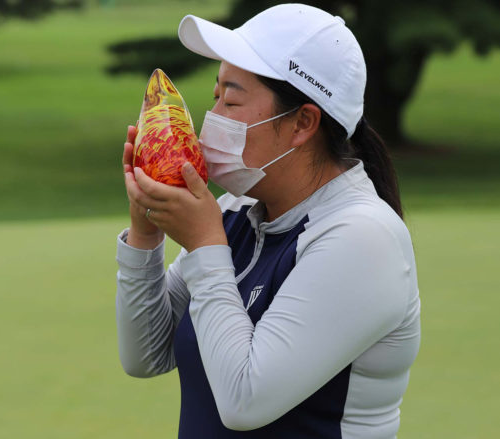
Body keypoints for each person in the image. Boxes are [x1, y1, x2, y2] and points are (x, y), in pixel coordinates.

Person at [115, 4, 421, 438]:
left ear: (303, 123)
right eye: (215, 96)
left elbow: (245, 401)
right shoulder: (236, 212)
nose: (212, 117)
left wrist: (204, 244)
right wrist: (146, 229)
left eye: (232, 101)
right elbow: (145, 355)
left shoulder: (363, 237)